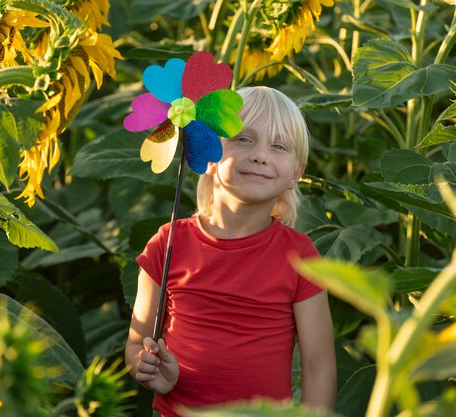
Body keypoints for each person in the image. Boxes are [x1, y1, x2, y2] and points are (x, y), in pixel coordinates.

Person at [125, 86, 337, 417]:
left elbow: (319, 364)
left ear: (297, 173)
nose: (260, 155)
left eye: (278, 146)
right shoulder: (167, 244)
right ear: (206, 154)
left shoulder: (300, 256)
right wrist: (149, 369)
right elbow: (137, 343)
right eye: (243, 139)